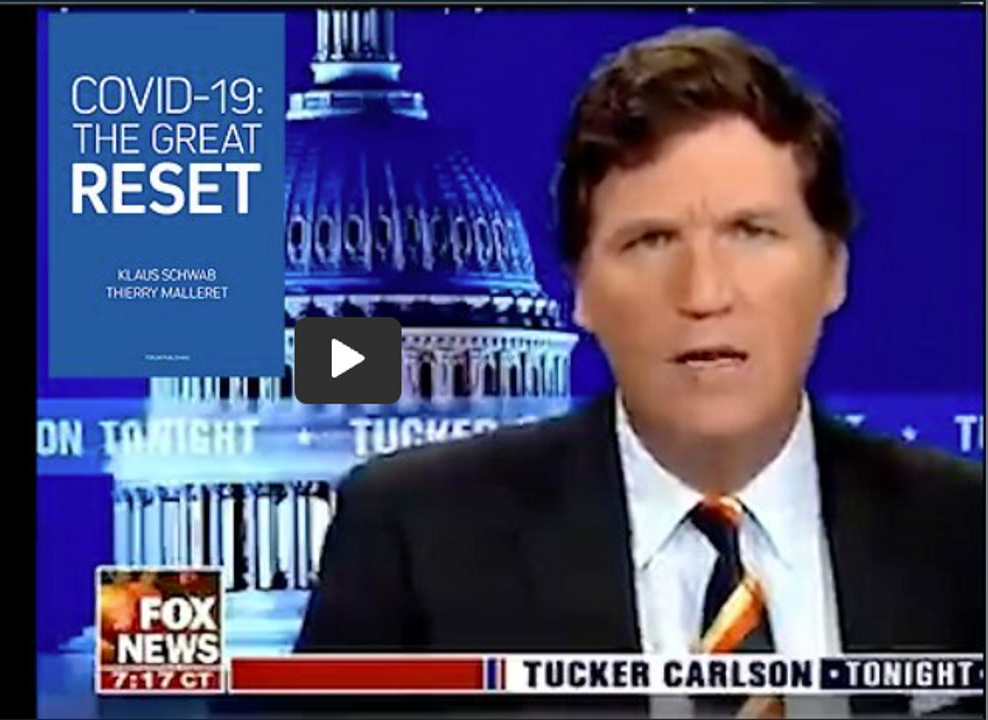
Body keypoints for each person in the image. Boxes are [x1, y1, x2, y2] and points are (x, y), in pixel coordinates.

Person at [294, 26, 984, 718]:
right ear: (581, 290)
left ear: (834, 271)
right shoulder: (412, 542)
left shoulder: (964, 532)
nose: (705, 293)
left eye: (753, 233)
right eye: (651, 240)